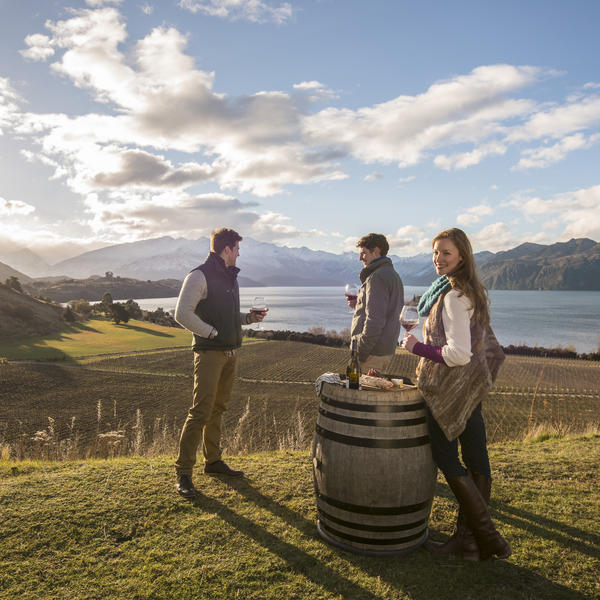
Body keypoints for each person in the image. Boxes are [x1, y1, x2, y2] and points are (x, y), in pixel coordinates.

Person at [403, 227, 510, 561]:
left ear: (462, 255)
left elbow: (458, 353)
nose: (439, 259)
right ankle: (470, 542)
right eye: (435, 253)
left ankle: (487, 537)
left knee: (447, 458)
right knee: (477, 458)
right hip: (471, 387)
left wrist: (416, 347)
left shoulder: (451, 296)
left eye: (446, 253)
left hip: (448, 389)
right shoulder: (466, 290)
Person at [173, 228, 267, 498]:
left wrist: (247, 319)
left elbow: (226, 315)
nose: (239, 254)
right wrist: (210, 332)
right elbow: (182, 314)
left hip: (231, 353)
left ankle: (213, 461)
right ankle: (183, 473)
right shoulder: (198, 275)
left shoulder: (229, 277)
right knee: (200, 411)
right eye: (237, 249)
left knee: (218, 409)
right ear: (226, 249)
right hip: (210, 354)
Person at [348, 233, 403, 373]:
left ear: (376, 251)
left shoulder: (377, 277)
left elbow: (375, 321)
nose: (360, 258)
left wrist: (359, 352)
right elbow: (385, 310)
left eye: (364, 253)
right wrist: (358, 305)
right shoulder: (391, 274)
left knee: (363, 393)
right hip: (384, 349)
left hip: (372, 353)